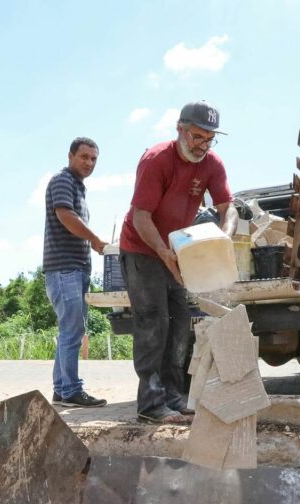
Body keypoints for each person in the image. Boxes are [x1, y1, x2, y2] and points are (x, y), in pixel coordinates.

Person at [119, 101, 237, 424]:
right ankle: (150, 404)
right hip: (143, 249)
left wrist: (225, 236)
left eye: (209, 139)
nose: (202, 145)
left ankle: (173, 396)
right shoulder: (157, 160)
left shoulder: (212, 164)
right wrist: (164, 253)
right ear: (180, 129)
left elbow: (229, 208)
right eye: (197, 136)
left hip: (177, 249)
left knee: (179, 322)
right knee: (154, 321)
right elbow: (141, 218)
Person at [43, 137, 108, 407]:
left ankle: (62, 389)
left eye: (93, 159)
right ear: (70, 156)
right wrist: (95, 240)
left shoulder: (78, 187)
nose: (89, 163)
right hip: (64, 269)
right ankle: (70, 390)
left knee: (71, 329)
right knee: (72, 330)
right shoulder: (63, 180)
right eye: (84, 157)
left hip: (74, 270)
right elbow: (65, 216)